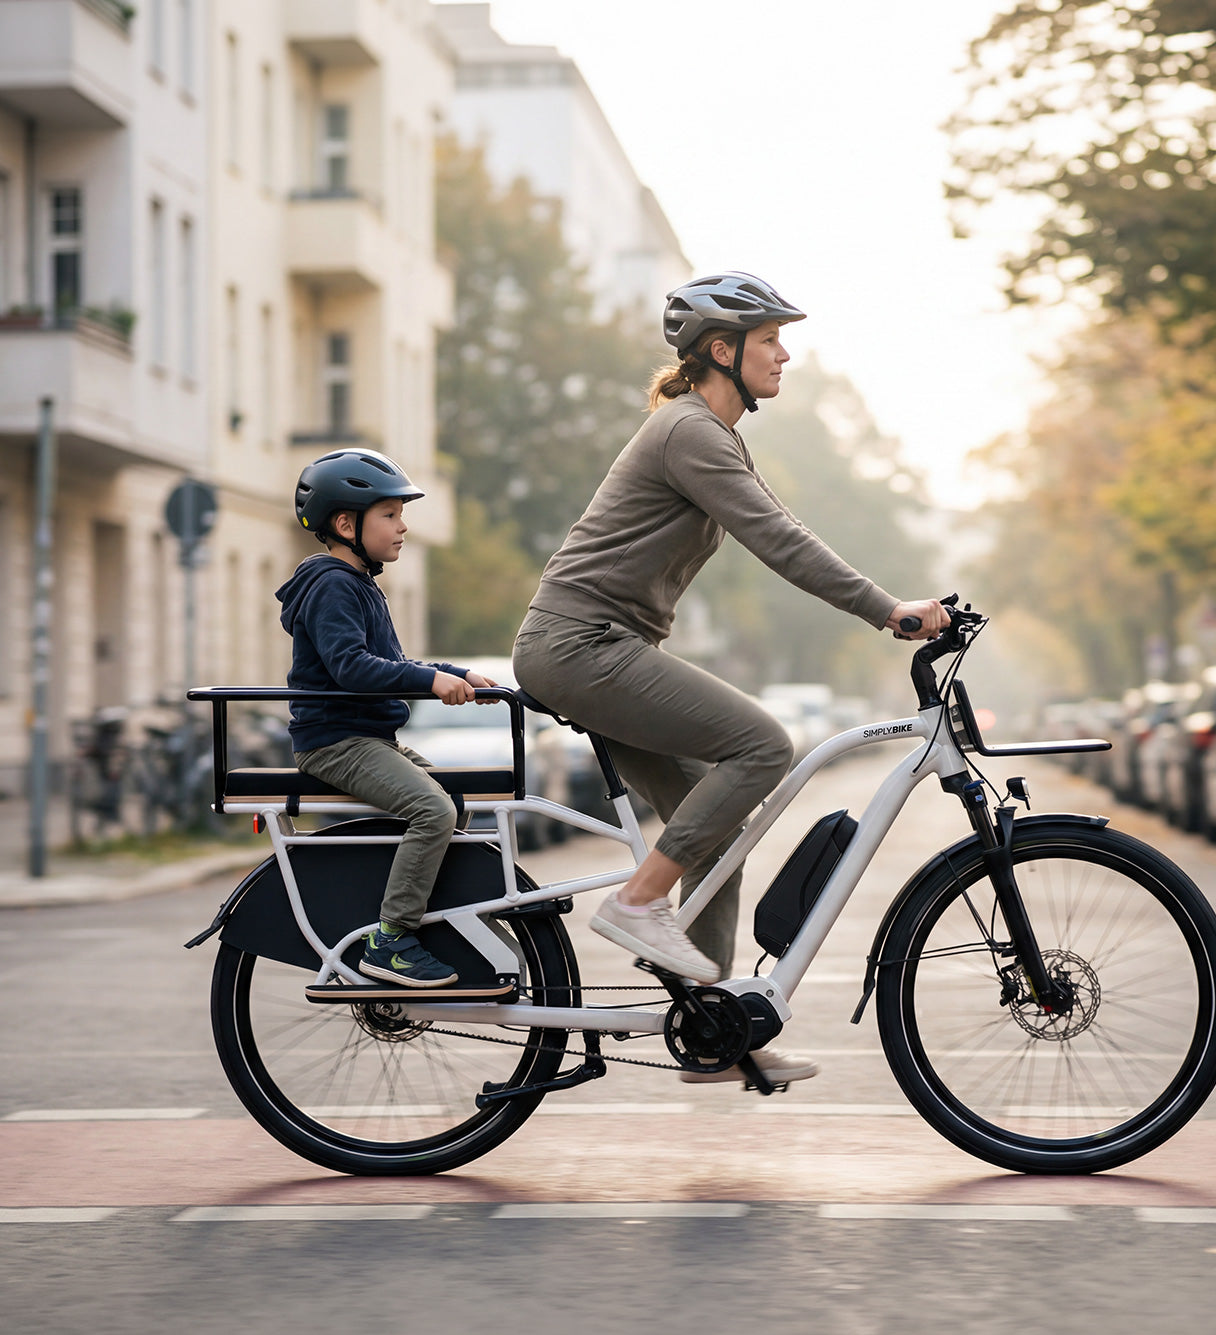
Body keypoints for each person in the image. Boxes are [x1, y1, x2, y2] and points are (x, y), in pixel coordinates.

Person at [512, 272, 950, 1085]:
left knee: (714, 827)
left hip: (598, 647)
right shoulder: (689, 431)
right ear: (723, 350)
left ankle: (712, 1029)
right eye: (770, 339)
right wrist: (890, 610)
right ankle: (638, 904)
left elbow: (781, 526)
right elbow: (780, 539)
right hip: (581, 646)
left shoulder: (711, 434)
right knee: (762, 744)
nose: (785, 353)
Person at [276, 448, 498, 990]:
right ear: (346, 523)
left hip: (367, 737)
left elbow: (395, 663)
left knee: (456, 803)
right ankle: (393, 938)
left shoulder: (358, 583)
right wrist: (430, 682)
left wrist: (458, 672)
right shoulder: (332, 585)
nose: (403, 527)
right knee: (433, 810)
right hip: (337, 741)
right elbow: (351, 667)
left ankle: (421, 914)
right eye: (391, 515)